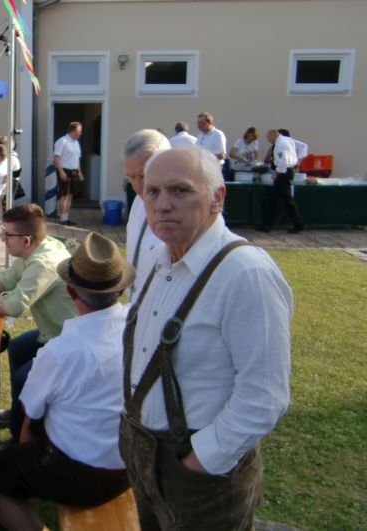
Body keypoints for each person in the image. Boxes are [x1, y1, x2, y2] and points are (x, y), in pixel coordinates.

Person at [120, 146, 292, 529]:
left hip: (199, 475)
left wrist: (200, 461)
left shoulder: (245, 273)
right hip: (145, 456)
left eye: (180, 190)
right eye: (152, 191)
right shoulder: (162, 260)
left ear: (217, 197)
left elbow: (265, 397)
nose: (162, 204)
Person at [0, 232, 134, 530]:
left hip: (82, 473)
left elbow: (30, 419)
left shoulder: (60, 351)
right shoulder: (137, 326)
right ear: (121, 289)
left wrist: (22, 459)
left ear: (70, 291)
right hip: (129, 464)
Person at [0, 204, 76, 441]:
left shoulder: (44, 263)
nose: (3, 240)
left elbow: (13, 306)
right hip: (56, 332)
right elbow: (7, 278)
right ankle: (19, 410)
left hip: (69, 341)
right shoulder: (36, 248)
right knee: (18, 347)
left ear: (26, 240)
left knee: (24, 377)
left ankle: (21, 436)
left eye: (7, 235)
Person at [121, 129, 170, 300]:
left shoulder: (183, 212)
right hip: (135, 304)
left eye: (143, 175)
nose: (137, 185)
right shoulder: (138, 203)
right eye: (131, 177)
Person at [257, 130, 304, 234]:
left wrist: (276, 173)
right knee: (276, 200)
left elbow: (283, 162)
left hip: (283, 174)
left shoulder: (279, 145)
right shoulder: (288, 140)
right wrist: (298, 161)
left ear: (273, 135)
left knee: (284, 201)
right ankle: (267, 225)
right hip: (287, 172)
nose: (268, 140)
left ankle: (297, 224)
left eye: (268, 137)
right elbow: (304, 147)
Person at [53, 122, 84, 225]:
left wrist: (79, 172)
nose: (81, 133)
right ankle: (62, 219)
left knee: (70, 195)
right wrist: (61, 172)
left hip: (74, 171)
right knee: (64, 195)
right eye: (79, 131)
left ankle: (66, 218)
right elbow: (56, 158)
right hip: (64, 170)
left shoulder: (76, 143)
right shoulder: (62, 141)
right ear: (73, 131)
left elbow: (77, 158)